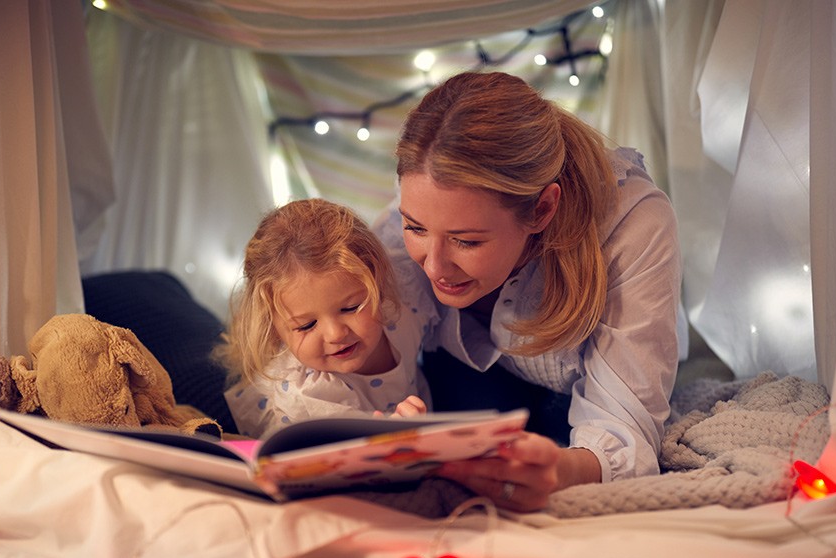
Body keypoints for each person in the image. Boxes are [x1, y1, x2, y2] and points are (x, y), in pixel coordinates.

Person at [374, 71, 683, 512]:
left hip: (579, 392)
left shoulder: (632, 225)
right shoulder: (425, 200)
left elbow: (623, 426)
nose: (435, 266)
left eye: (467, 240)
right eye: (415, 227)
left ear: (542, 209)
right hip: (468, 385)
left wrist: (558, 471)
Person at [219, 198, 434, 439]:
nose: (336, 334)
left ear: (377, 282)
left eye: (351, 308)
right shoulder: (308, 397)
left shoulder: (404, 313)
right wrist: (394, 438)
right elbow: (341, 468)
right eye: (307, 325)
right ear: (274, 329)